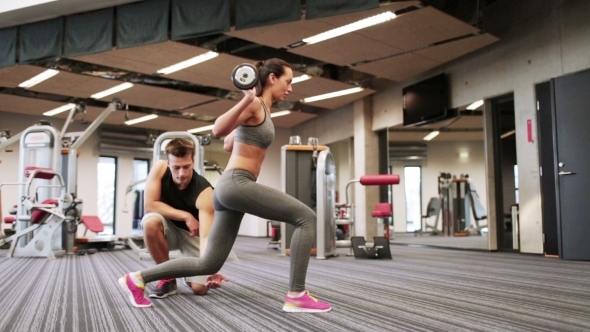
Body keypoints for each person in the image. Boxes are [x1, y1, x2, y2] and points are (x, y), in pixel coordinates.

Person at [118, 58, 331, 313]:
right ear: (272, 78)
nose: (290, 87)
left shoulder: (261, 108)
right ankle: (297, 294)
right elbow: (219, 129)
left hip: (230, 189)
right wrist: (246, 99)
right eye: (288, 81)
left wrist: (244, 122)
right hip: (237, 183)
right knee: (306, 217)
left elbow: (231, 143)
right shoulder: (254, 102)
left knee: (208, 263)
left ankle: (137, 278)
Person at [139, 137, 228, 299]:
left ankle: (192, 274)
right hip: (167, 229)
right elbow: (150, 205)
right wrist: (186, 216)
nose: (182, 173)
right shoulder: (159, 168)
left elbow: (206, 237)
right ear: (167, 163)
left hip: (192, 234)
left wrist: (211, 270)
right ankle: (167, 278)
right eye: (176, 167)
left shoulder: (204, 191)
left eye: (186, 167)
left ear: (193, 161)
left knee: (200, 289)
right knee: (150, 221)